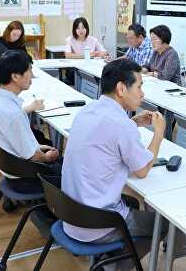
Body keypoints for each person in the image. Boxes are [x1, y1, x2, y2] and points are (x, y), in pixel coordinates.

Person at [61, 58, 166, 270]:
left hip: (71, 214)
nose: (142, 93)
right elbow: (142, 170)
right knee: (161, 226)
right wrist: (159, 133)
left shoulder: (88, 111)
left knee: (133, 204)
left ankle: (110, 261)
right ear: (121, 88)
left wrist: (133, 122)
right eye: (139, 86)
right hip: (98, 223)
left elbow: (109, 135)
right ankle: (116, 267)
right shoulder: (120, 125)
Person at [0, 50, 60, 193]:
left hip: (9, 167)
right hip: (24, 177)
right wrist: (47, 158)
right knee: (68, 167)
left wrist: (38, 146)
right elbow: (33, 156)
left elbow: (12, 141)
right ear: (15, 77)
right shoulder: (13, 113)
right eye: (29, 70)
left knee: (48, 147)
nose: (32, 75)